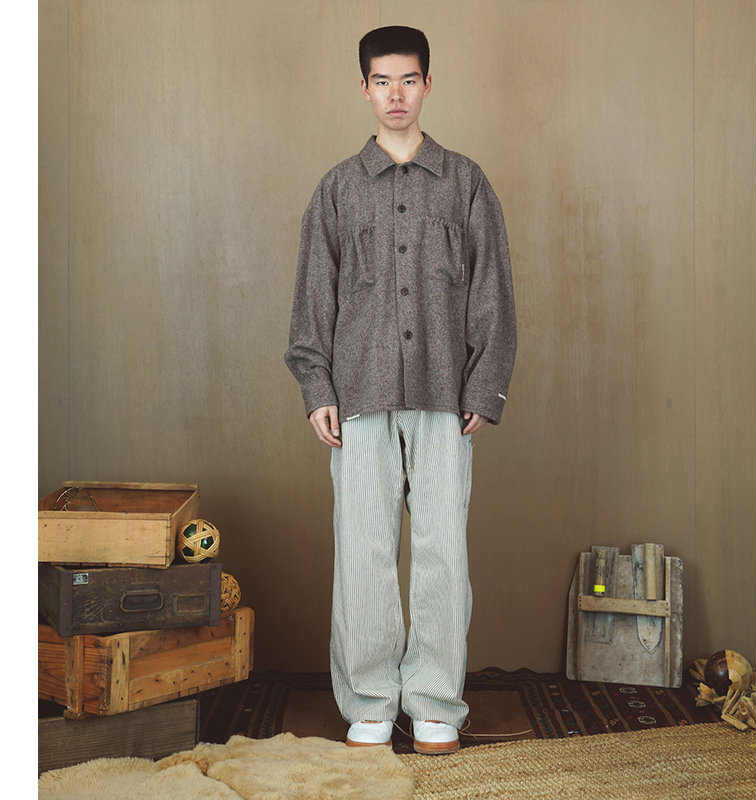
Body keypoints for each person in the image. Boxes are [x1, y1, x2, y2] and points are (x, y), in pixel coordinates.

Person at [285, 25, 516, 755]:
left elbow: (493, 291)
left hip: (446, 395)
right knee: (364, 551)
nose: (395, 95)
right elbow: (312, 297)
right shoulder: (336, 190)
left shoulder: (467, 183)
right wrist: (316, 384)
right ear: (364, 89)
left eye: (408, 80)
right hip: (358, 395)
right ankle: (371, 699)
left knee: (444, 550)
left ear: (427, 85)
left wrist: (485, 383)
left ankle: (436, 700)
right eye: (382, 81)